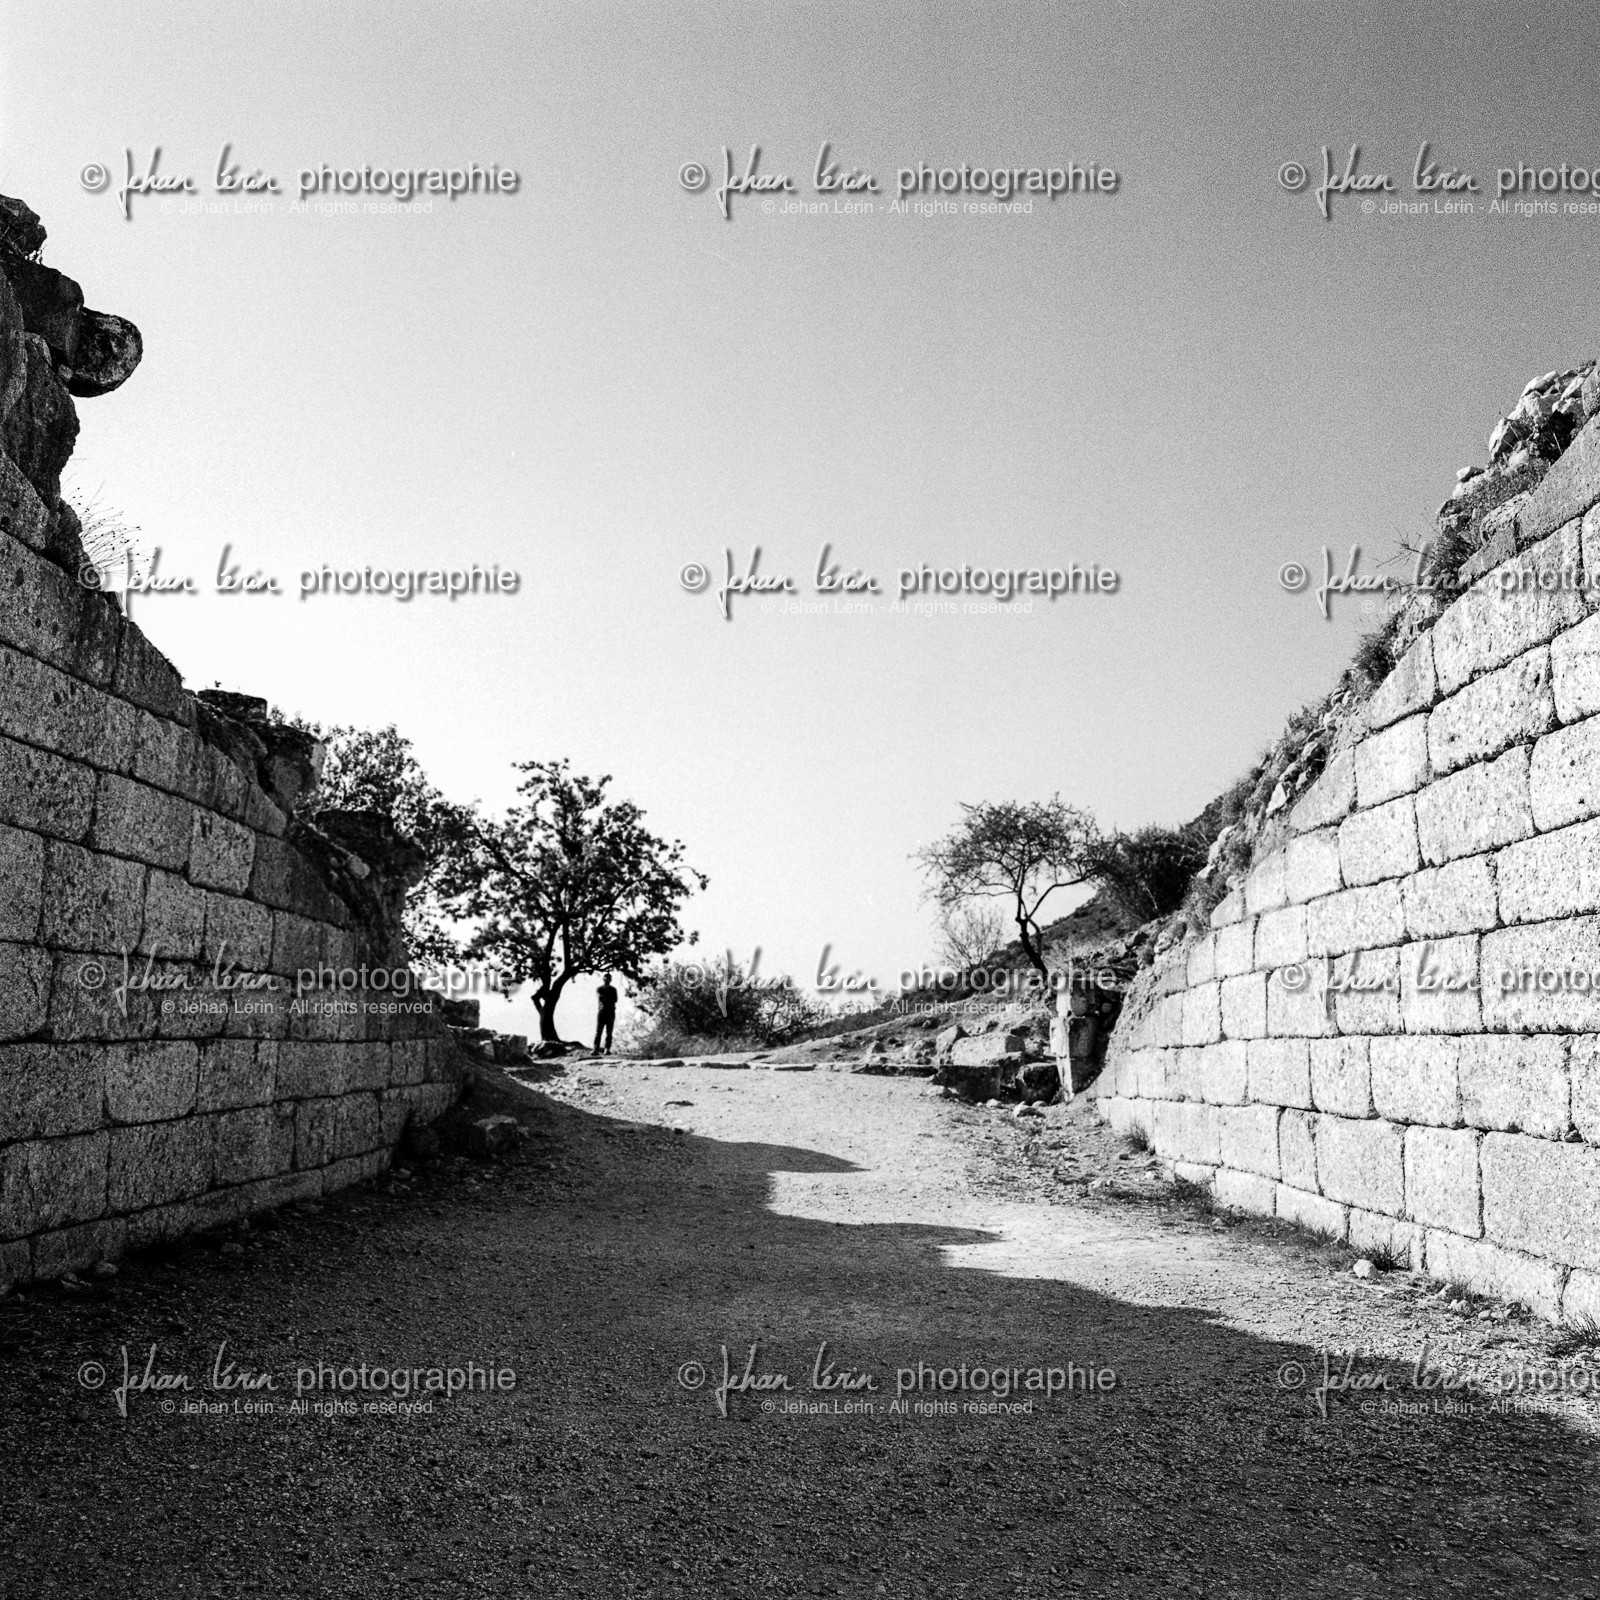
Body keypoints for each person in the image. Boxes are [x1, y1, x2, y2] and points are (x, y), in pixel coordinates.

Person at [594, 973, 618, 1054]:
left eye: (609, 978)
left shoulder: (613, 989)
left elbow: (615, 999)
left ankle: (607, 1048)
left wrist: (606, 999)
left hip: (610, 1012)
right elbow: (600, 997)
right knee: (598, 1031)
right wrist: (607, 998)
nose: (607, 980)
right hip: (602, 1011)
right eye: (606, 978)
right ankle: (596, 1048)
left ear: (611, 980)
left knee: (609, 1032)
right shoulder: (599, 988)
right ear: (603, 979)